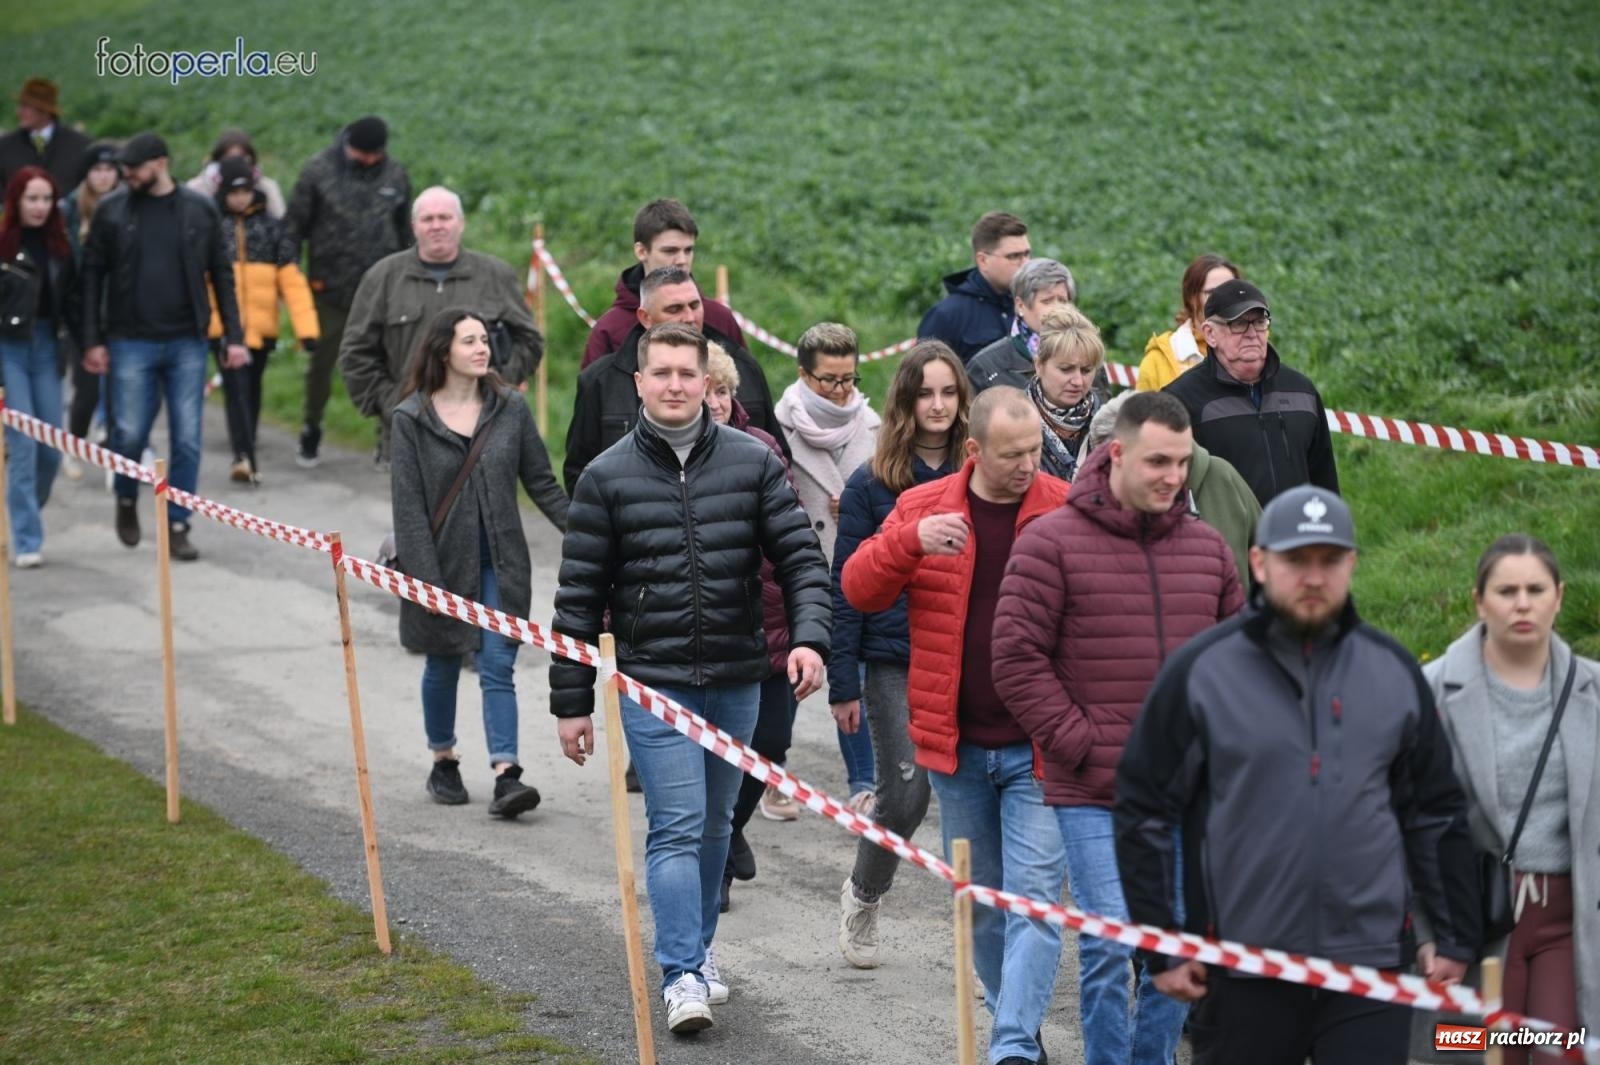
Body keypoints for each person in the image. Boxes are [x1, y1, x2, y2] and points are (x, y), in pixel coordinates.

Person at [1114, 485, 1481, 1065]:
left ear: (1352, 564)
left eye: (1329, 560)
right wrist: (1165, 940)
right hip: (1241, 964)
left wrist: (1456, 933)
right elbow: (1146, 811)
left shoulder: (1393, 671)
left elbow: (1433, 811)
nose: (1314, 576)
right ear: (1259, 562)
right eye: (1296, 561)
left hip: (1370, 965)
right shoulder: (1202, 671)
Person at [551, 322, 830, 1035]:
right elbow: (578, 596)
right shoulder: (606, 477)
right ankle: (680, 974)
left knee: (712, 826)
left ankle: (699, 954)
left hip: (738, 676)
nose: (675, 384)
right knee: (675, 824)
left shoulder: (753, 462)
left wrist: (808, 639)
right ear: (639, 381)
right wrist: (571, 702)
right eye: (662, 372)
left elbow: (800, 558)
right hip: (652, 681)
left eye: (688, 373)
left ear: (708, 384)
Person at [992, 391, 1244, 1065]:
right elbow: (1015, 659)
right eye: (1158, 461)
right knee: (1109, 942)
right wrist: (1078, 741)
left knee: (1178, 945)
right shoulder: (1051, 541)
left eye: (1182, 463)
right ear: (1117, 454)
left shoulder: (1210, 551)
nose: (1172, 476)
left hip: (1185, 792)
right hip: (1094, 787)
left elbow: (1241, 663)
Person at [842, 386, 1070, 1065]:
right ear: (973, 451)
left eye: (1035, 450)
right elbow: (859, 588)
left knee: (1034, 902)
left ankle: (1010, 1048)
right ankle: (1015, 1023)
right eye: (1011, 454)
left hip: (1040, 748)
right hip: (958, 745)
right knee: (982, 903)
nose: (1028, 464)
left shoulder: (1065, 508)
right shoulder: (924, 507)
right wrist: (908, 543)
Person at [1418, 534, 1598, 1057]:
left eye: (1536, 589)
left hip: (1565, 924)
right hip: (1471, 920)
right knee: (1470, 1050)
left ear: (1559, 597)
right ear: (1478, 600)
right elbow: (1409, 822)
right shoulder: (1431, 689)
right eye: (1506, 590)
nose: (1522, 603)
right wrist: (1429, 932)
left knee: (1552, 1051)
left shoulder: (1594, 691)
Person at [391, 308, 567, 818]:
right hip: (440, 568)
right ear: (443, 350)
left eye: (485, 339)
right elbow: (409, 512)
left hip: (502, 566)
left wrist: (590, 533)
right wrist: (429, 587)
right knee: (443, 661)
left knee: (497, 663)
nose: (482, 347)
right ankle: (443, 758)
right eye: (469, 340)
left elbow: (542, 485)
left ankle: (506, 775)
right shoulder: (411, 419)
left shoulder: (509, 408)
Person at [831, 340, 967, 969]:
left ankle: (984, 933)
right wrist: (843, 681)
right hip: (895, 655)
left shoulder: (981, 472)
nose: (938, 405)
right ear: (906, 401)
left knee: (978, 796)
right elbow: (848, 583)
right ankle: (864, 894)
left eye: (949, 391)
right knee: (906, 796)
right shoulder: (872, 482)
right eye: (926, 392)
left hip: (968, 654)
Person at [80, 133, 247, 561]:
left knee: (188, 438)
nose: (126, 175)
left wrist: (234, 336)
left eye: (133, 167)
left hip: (187, 340)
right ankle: (124, 496)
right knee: (129, 432)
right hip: (129, 338)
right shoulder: (112, 211)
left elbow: (221, 274)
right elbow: (92, 277)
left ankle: (178, 522)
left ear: (159, 163)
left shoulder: (198, 210)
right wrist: (92, 340)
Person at [340, 185, 542, 464]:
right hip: (408, 433)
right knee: (414, 509)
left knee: (488, 506)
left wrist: (497, 386)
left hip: (483, 432)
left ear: (461, 223)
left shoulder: (495, 275)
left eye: (445, 218)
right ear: (414, 226)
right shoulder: (382, 277)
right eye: (428, 219)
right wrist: (390, 403)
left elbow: (530, 341)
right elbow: (355, 351)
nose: (437, 226)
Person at [701, 344, 799, 910]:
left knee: (770, 743)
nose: (714, 401)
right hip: (711, 634)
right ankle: (714, 863)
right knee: (716, 752)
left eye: (723, 391)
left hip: (770, 624)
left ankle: (733, 826)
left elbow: (788, 542)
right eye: (706, 389)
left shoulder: (763, 449)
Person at [775, 322, 880, 811]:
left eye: (849, 379)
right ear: (803, 374)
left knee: (852, 674)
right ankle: (773, 775)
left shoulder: (875, 427)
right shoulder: (780, 426)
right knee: (791, 673)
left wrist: (863, 506)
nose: (840, 392)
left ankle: (864, 784)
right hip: (800, 569)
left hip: (857, 568)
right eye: (828, 380)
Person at [563, 265, 784, 494]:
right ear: (645, 317)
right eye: (674, 309)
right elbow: (580, 474)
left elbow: (777, 457)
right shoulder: (600, 380)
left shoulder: (743, 367)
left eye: (695, 305)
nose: (689, 317)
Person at [284, 115, 411, 468]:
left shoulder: (396, 175)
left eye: (375, 155)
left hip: (384, 291)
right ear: (348, 144)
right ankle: (311, 427)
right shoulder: (317, 172)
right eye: (362, 153)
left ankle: (387, 441)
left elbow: (405, 233)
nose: (369, 160)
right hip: (329, 289)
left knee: (390, 363)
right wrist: (289, 278)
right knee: (322, 363)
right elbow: (294, 228)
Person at [1162, 279, 1338, 506]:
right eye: (1238, 324)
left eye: (1259, 322)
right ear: (1210, 333)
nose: (1252, 333)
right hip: (1223, 540)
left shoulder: (1302, 392)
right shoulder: (1180, 400)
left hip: (1297, 535)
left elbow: (1324, 479)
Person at [208, 157, 319, 483]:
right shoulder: (212, 226)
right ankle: (243, 456)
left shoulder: (273, 228)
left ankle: (245, 446)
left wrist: (307, 330)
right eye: (233, 191)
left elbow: (292, 282)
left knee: (252, 387)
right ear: (223, 192)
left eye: (245, 190)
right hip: (224, 327)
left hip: (263, 326)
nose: (240, 197)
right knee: (235, 387)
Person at [1080, 392, 1260, 590]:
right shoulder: (1068, 534)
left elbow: (1269, 567)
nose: (1173, 478)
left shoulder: (1222, 478)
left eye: (1179, 461)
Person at [0, 167, 78, 568]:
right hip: (9, 349)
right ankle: (27, 539)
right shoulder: (3, 244)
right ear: (16, 200)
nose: (39, 206)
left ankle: (26, 509)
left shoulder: (60, 246)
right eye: (32, 198)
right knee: (24, 444)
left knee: (51, 447)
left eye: (46, 199)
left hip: (48, 347)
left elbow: (74, 301)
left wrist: (90, 346)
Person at [580, 197, 746, 367]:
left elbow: (748, 387)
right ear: (641, 251)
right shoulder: (610, 330)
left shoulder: (719, 318)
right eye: (670, 251)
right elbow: (593, 390)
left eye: (688, 250)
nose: (682, 260)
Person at [60, 141, 120, 450]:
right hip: (82, 312)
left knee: (120, 389)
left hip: (120, 311)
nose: (103, 176)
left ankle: (115, 448)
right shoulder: (69, 210)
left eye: (110, 169)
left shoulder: (128, 207)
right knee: (87, 389)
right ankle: (75, 442)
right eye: (96, 170)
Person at [918, 211, 1030, 362]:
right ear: (983, 260)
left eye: (1027, 254)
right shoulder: (946, 317)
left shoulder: (1034, 306)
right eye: (1014, 256)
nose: (1025, 264)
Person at [966, 257, 1076, 393]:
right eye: (1047, 301)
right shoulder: (985, 366)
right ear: (1020, 305)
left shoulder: (1085, 358)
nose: (1057, 309)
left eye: (1063, 301)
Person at [1027, 306, 1109, 483]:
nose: (1078, 381)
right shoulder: (1015, 419)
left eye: (1086, 370)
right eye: (1066, 369)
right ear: (1039, 365)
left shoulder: (1108, 423)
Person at [1134, 254, 1239, 393]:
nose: (1224, 300)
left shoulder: (1256, 351)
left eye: (1232, 291)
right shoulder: (1158, 361)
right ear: (1191, 297)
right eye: (1213, 293)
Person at [0, 77, 91, 191]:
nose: (19, 112)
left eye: (26, 107)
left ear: (45, 111)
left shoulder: (80, 145)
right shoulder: (5, 147)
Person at [185, 128, 288, 219]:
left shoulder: (266, 188)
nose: (236, 163)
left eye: (242, 157)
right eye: (229, 157)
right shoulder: (196, 189)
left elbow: (281, 223)